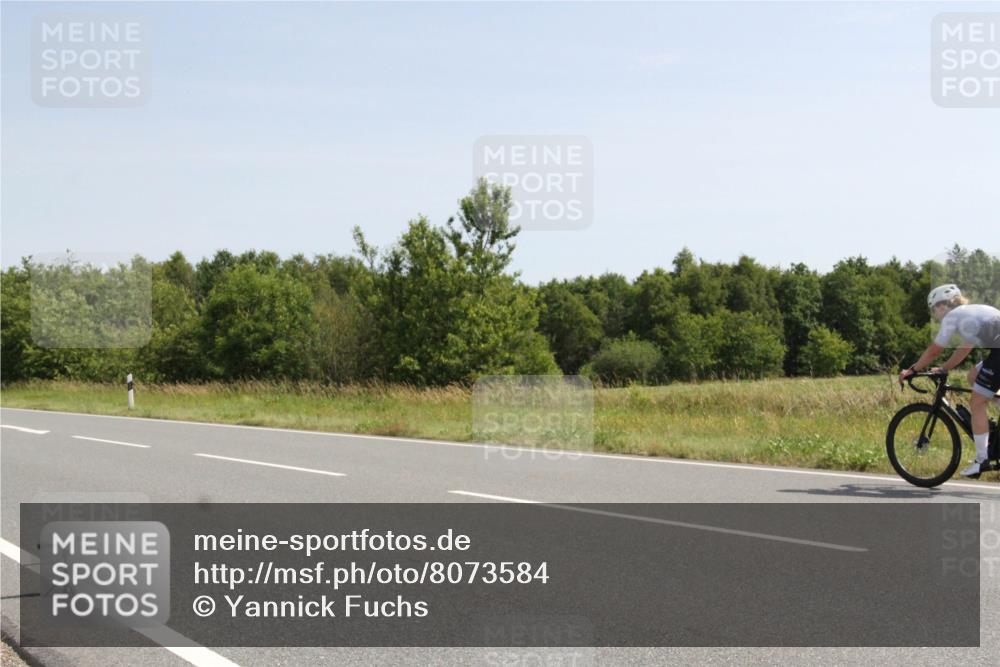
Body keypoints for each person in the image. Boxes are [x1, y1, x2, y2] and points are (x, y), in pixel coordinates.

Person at [899, 284, 1000, 477]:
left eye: (933, 309)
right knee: (973, 376)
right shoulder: (971, 313)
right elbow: (965, 348)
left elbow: (934, 350)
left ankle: (982, 460)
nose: (934, 314)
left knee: (977, 402)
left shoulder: (953, 317)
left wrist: (912, 370)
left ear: (941, 306)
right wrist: (945, 368)